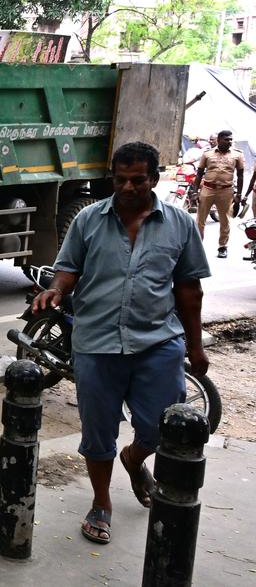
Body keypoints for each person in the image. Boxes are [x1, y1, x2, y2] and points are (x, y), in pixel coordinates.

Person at [32, 141, 210, 546]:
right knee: (98, 433)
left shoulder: (180, 224)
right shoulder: (88, 220)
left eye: (138, 180)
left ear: (154, 179)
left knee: (159, 429)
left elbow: (189, 291)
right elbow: (67, 268)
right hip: (96, 343)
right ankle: (101, 503)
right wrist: (55, 291)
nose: (128, 188)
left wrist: (196, 347)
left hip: (158, 343)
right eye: (120, 179)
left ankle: (135, 458)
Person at [192, 129, 244, 257]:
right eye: (227, 139)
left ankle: (222, 247)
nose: (230, 142)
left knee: (225, 219)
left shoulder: (237, 155)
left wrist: (238, 195)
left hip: (226, 191)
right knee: (200, 219)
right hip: (208, 189)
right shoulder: (207, 154)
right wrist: (195, 191)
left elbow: (241, 175)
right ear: (219, 140)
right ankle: (198, 246)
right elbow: (199, 173)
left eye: (231, 139)